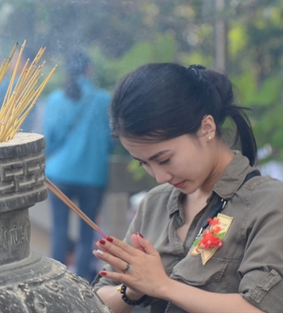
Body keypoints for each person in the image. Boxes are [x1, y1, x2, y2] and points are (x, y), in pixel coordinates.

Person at [92, 63, 282, 313]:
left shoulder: (268, 202)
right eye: (144, 164)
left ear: (207, 128)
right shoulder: (155, 203)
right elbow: (97, 298)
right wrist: (132, 290)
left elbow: (262, 308)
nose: (160, 176)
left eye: (164, 159)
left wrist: (162, 286)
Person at [43, 51, 114, 281]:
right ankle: (83, 282)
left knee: (59, 231)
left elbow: (49, 138)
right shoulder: (104, 100)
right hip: (92, 177)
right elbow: (112, 141)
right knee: (87, 235)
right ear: (89, 70)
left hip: (58, 173)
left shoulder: (55, 99)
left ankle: (56, 282)